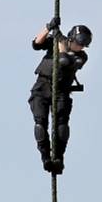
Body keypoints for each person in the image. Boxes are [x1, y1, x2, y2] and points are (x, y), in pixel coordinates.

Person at [28, 18, 92, 174]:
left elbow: (63, 60)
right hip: (42, 86)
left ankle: (59, 158)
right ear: (71, 38)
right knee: (40, 124)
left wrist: (60, 39)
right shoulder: (55, 41)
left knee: (61, 126)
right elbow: (36, 44)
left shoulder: (81, 56)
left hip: (61, 91)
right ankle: (45, 157)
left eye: (82, 45)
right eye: (78, 43)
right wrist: (49, 28)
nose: (80, 47)